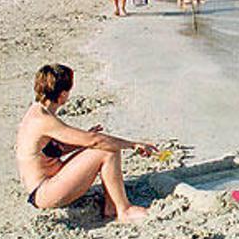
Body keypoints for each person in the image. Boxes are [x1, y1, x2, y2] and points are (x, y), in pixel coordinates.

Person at [16, 64, 157, 223]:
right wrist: (133, 144)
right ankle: (123, 210)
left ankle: (111, 206)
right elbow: (96, 141)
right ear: (62, 95)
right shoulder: (43, 120)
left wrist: (83, 141)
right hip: (44, 192)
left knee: (101, 145)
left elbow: (55, 150)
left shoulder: (37, 112)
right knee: (108, 149)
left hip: (47, 185)